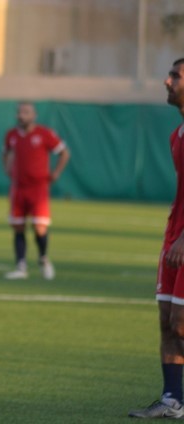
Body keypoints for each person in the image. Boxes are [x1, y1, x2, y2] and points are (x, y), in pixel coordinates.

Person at [129, 58, 184, 419]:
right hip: (173, 236)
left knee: (181, 323)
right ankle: (172, 400)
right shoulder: (176, 136)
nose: (166, 81)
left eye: (176, 76)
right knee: (166, 319)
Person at [2, 101, 70, 280]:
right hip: (18, 188)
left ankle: (43, 259)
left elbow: (64, 153)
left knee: (39, 227)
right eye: (19, 112)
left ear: (34, 115)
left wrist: (55, 173)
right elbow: (6, 153)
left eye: (25, 112)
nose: (21, 115)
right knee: (18, 226)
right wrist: (7, 168)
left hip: (38, 188)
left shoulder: (44, 134)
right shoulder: (11, 135)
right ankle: (20, 266)